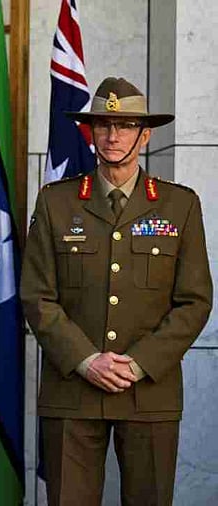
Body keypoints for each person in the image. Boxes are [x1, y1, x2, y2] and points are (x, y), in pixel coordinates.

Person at [21, 77, 212, 505]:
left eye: (125, 125)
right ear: (90, 132)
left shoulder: (179, 205)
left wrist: (140, 363)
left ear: (144, 135)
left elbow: (194, 301)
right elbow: (37, 296)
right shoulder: (56, 202)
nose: (112, 136)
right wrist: (86, 360)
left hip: (149, 392)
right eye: (103, 124)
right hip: (73, 389)